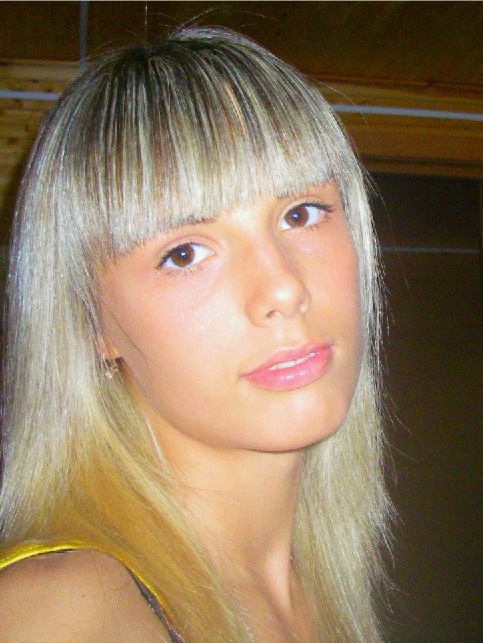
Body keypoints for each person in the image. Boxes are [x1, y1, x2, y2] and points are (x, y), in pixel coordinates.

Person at [0, 27, 392, 642]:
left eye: (301, 213)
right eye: (184, 253)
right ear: (91, 323)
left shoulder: (318, 594)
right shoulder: (61, 614)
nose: (283, 287)